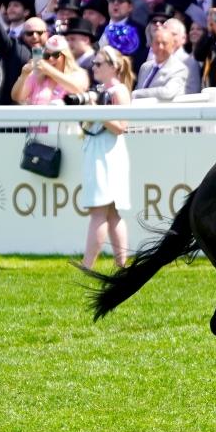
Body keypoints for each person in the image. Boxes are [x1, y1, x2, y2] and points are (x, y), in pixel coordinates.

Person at [80, 45, 135, 270]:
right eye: (93, 63)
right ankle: (122, 265)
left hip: (109, 154)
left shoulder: (119, 91)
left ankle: (87, 266)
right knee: (110, 213)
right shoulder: (102, 90)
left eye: (98, 64)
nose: (94, 67)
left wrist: (96, 110)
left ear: (114, 67)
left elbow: (121, 127)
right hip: (99, 151)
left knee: (99, 211)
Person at [11, 34, 89, 105]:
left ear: (66, 56)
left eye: (55, 55)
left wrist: (49, 70)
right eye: (47, 55)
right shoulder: (37, 75)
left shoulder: (78, 73)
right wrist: (24, 75)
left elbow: (78, 89)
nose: (51, 59)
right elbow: (17, 97)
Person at [132, 26, 189, 101]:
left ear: (172, 46)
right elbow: (138, 89)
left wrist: (136, 93)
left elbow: (168, 92)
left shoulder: (179, 69)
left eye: (164, 43)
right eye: (157, 43)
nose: (160, 47)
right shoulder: (145, 67)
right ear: (152, 45)